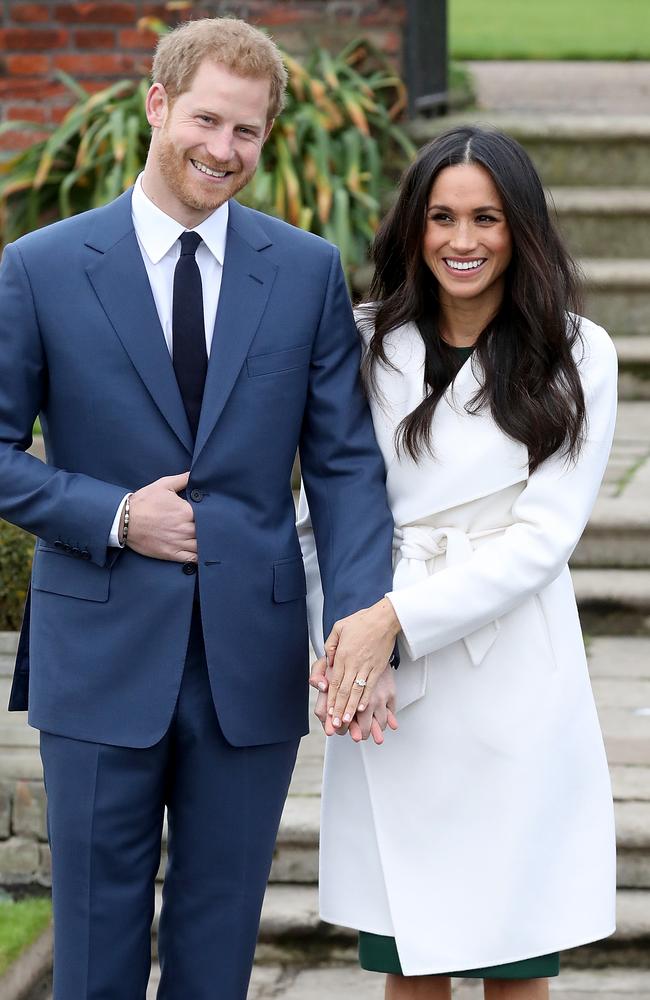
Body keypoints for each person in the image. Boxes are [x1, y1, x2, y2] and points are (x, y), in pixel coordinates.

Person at [0, 17, 397, 1000]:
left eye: (247, 133)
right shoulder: (41, 267)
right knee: (92, 951)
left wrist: (357, 623)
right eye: (208, 121)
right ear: (157, 105)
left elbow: (345, 466)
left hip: (247, 663)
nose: (222, 151)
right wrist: (111, 515)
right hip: (96, 654)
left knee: (216, 954)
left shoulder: (304, 271)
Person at [301, 126, 618, 1000]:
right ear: (414, 227)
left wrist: (392, 624)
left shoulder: (579, 351)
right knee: (411, 951)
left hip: (507, 669)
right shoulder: (363, 339)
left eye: (486, 217)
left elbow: (542, 540)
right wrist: (338, 644)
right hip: (383, 672)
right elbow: (323, 506)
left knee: (515, 950)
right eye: (441, 217)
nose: (462, 240)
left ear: (522, 228)